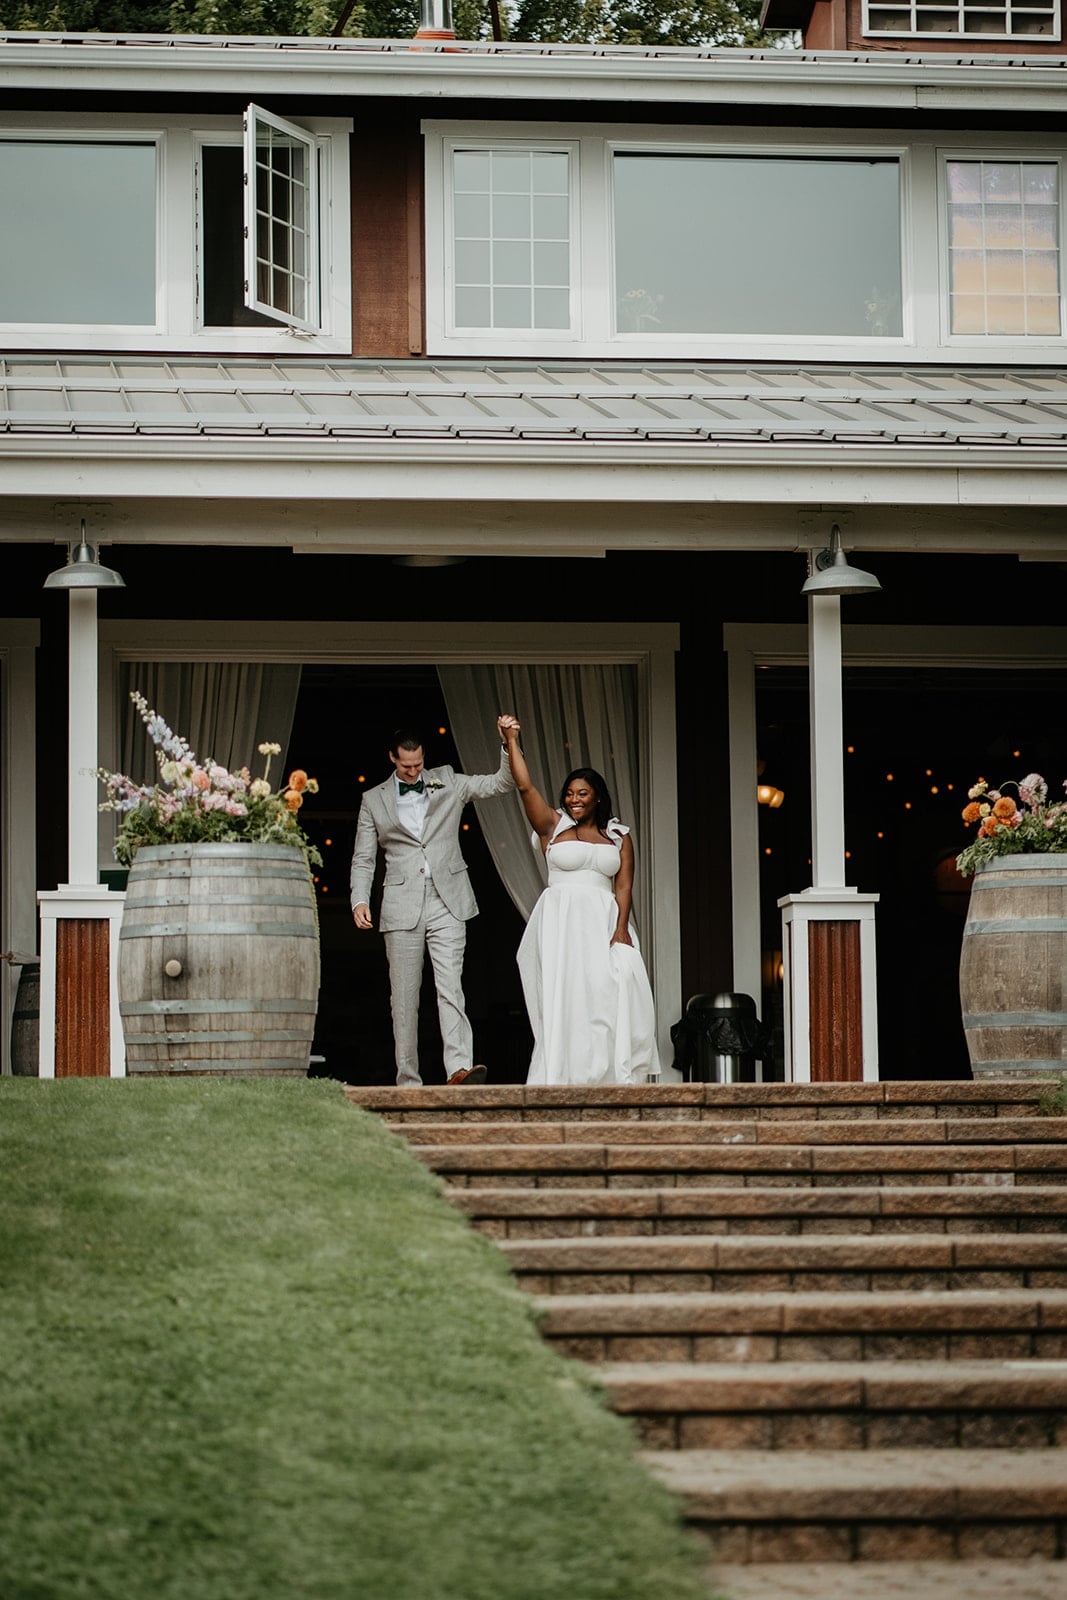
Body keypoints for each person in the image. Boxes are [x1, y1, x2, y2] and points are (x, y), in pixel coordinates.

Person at [497, 713, 660, 1086]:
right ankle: (562, 1073)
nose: (574, 800)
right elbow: (524, 788)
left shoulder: (618, 836)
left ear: (597, 797)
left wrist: (621, 929)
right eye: (569, 794)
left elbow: (623, 886)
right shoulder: (553, 827)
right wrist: (510, 741)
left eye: (582, 794)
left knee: (608, 994)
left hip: (604, 923)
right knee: (565, 996)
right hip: (562, 922)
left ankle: (604, 1074)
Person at [350, 724, 515, 1088]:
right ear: (393, 759)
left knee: (450, 986)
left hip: (448, 899)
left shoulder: (447, 781)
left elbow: (501, 783)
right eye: (407, 766)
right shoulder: (373, 799)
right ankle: (408, 1080)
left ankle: (459, 1068)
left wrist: (508, 743)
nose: (414, 772)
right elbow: (364, 858)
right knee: (404, 997)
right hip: (400, 903)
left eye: (419, 764)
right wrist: (360, 899)